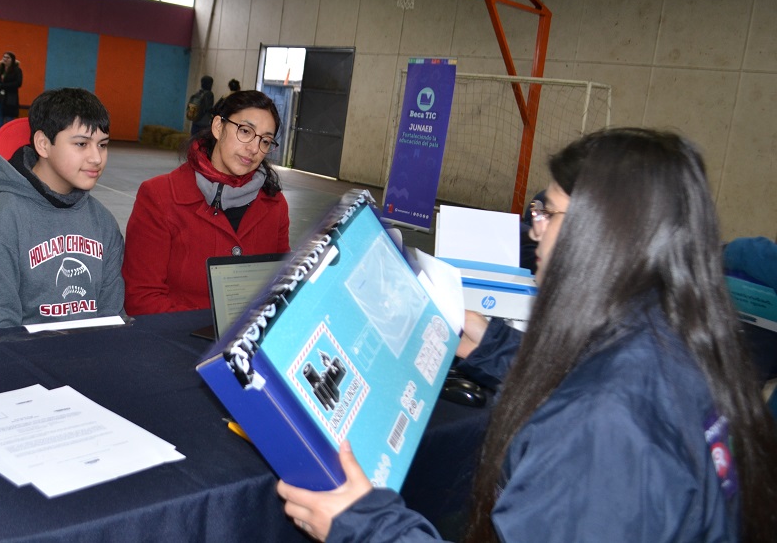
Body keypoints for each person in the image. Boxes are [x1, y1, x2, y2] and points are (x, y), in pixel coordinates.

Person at [277, 128, 777, 543]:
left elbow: (597, 406)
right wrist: (486, 340)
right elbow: (594, 373)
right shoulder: (681, 336)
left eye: (547, 213)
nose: (533, 230)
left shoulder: (601, 424)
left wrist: (363, 525)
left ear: (603, 232)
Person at [0, 88, 125, 329]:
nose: (96, 158)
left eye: (102, 145)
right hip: (16, 361)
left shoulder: (103, 222)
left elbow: (112, 318)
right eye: (81, 144)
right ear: (43, 144)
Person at [123, 90, 290, 314]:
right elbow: (140, 298)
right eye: (245, 131)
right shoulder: (159, 196)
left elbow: (281, 287)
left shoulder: (275, 205)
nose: (253, 148)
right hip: (176, 340)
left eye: (265, 141)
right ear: (218, 127)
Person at [0, 51, 23, 129]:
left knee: (9, 122)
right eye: (4, 57)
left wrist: (4, 86)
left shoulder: (17, 70)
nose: (5, 59)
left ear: (12, 59)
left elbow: (18, 83)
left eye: (8, 57)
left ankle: (9, 140)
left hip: (10, 99)